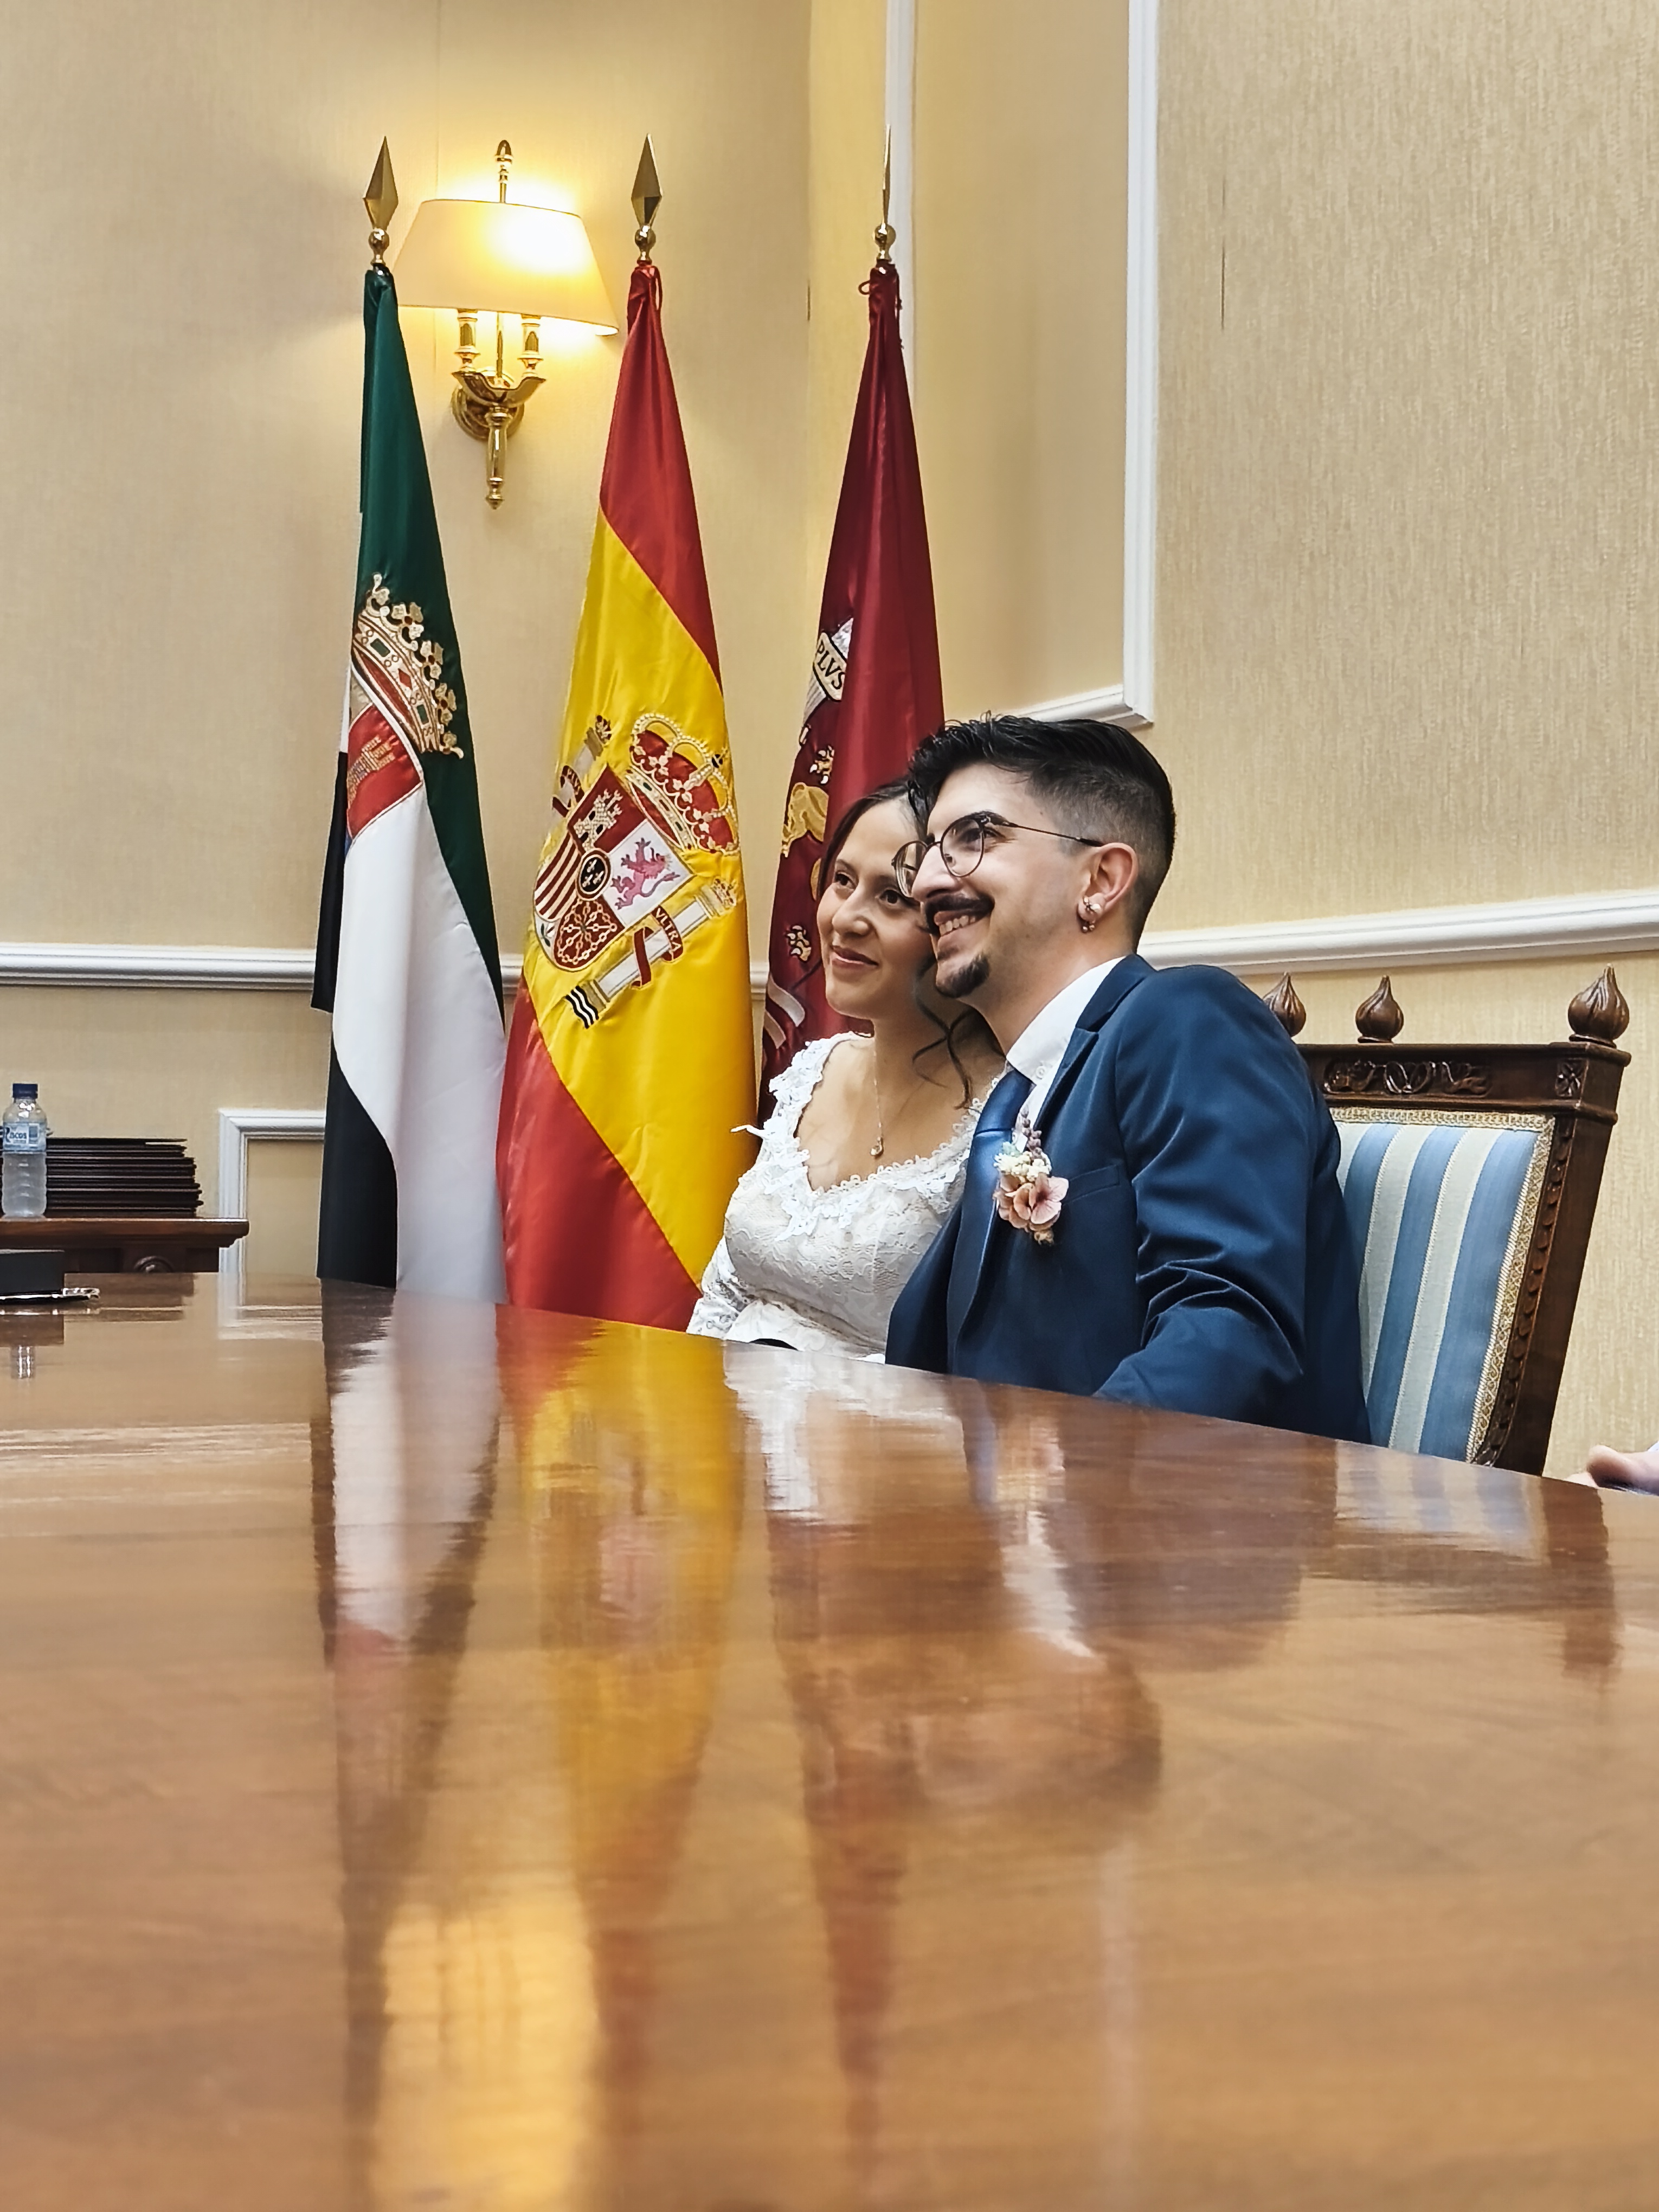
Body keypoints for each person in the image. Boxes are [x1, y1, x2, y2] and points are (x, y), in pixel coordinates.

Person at [883, 715, 1369, 1441]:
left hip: (1175, 1502)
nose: (926, 882)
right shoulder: (1020, 1092)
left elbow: (1228, 1330)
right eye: (926, 851)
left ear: (1101, 880)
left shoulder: (1189, 1021)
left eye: (975, 837)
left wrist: (1049, 1486)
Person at [689, 781, 1004, 1356]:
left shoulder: (1010, 1116)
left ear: (959, 922)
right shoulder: (814, 1070)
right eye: (841, 880)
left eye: (893, 897)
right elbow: (726, 1290)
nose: (845, 919)